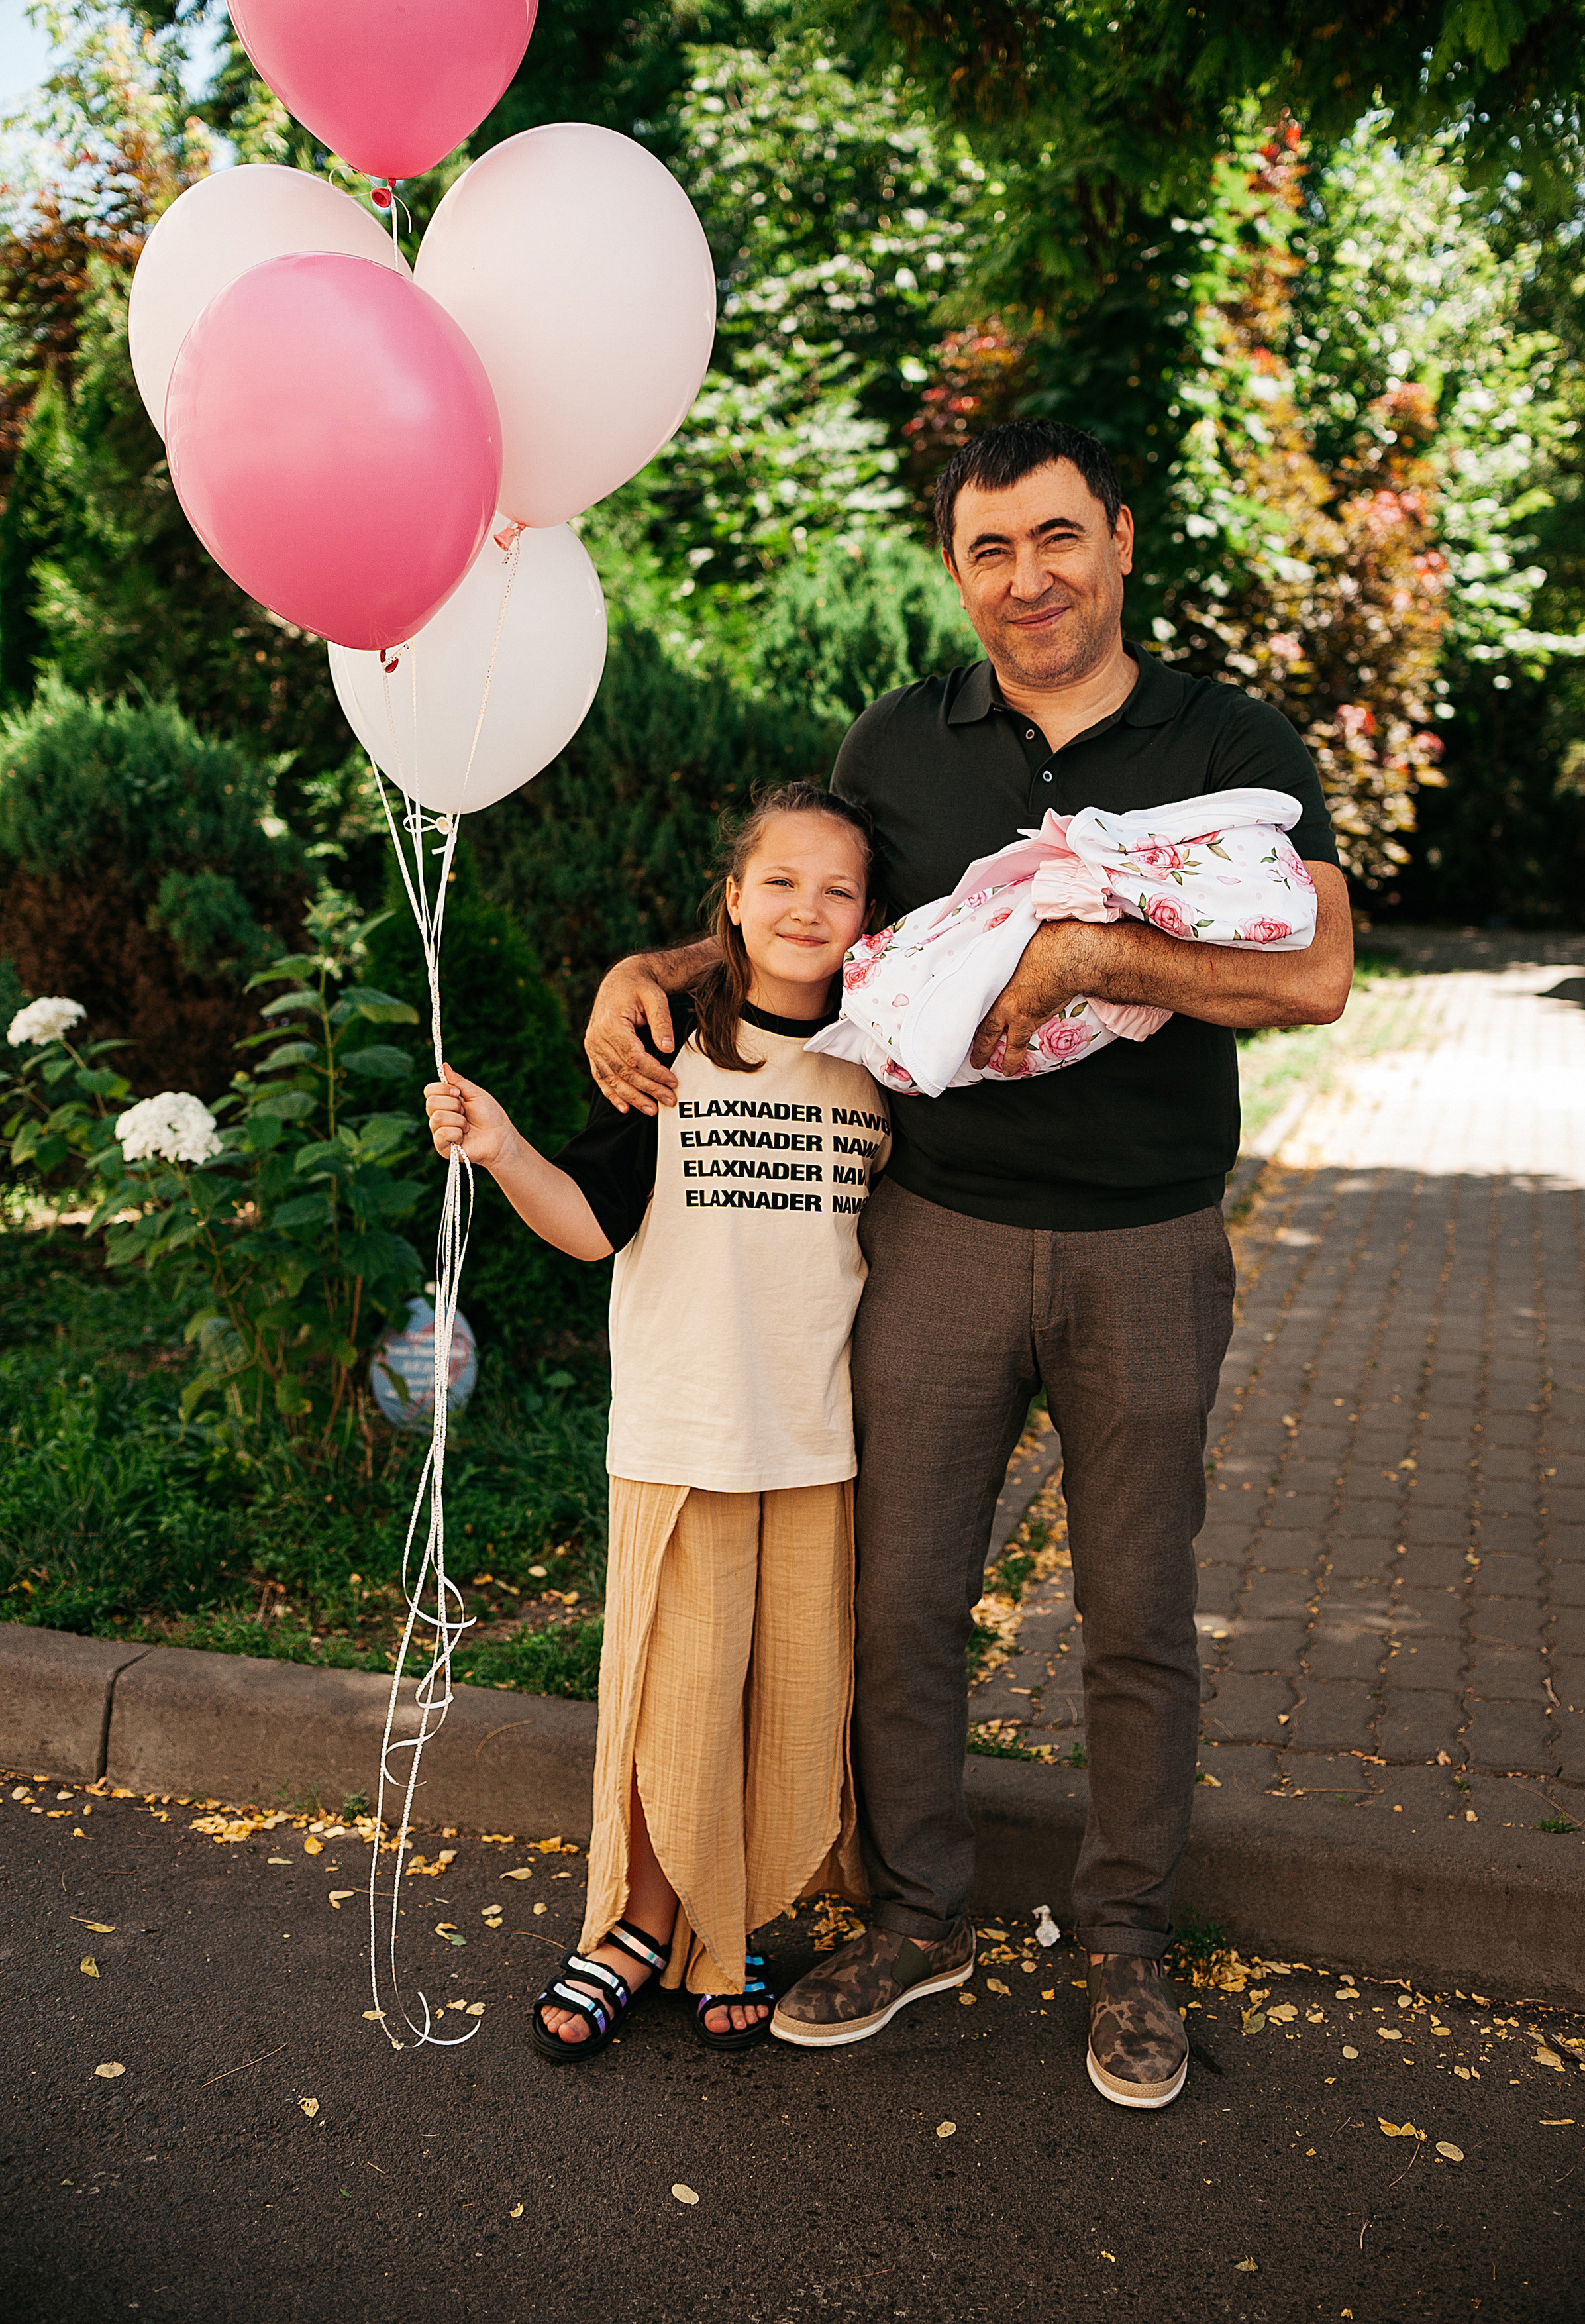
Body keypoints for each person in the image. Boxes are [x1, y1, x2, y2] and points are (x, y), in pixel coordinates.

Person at [585, 418, 1353, 2113]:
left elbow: (1314, 974)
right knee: (900, 1600)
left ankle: (1125, 1944)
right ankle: (915, 1916)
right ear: (955, 570)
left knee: (1135, 1613)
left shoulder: (1224, 739)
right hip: (930, 1230)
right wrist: (652, 965)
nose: (1028, 579)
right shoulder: (898, 740)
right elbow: (805, 926)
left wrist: (1091, 950)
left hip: (1146, 1238)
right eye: (989, 550)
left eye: (1057, 537)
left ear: (1120, 538)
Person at [423, 783, 888, 2059]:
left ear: (870, 917)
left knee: (785, 1700)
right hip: (686, 1431)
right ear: (731, 901)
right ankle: (636, 1923)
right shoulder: (665, 1042)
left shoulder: (887, 1056)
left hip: (819, 1438)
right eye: (779, 881)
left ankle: (730, 1923)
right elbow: (591, 1225)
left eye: (839, 889)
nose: (807, 907)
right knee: (673, 1696)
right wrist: (505, 1147)